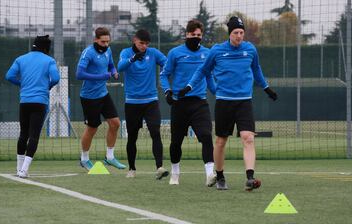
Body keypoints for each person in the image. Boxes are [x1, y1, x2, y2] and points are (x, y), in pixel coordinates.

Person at [179, 16, 278, 191]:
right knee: (220, 141)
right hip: (224, 102)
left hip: (244, 102)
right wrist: (189, 86)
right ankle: (220, 176)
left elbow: (257, 70)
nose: (239, 36)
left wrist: (266, 88)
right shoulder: (216, 51)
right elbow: (202, 71)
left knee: (248, 137)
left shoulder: (250, 50)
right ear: (229, 34)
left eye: (241, 32)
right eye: (235, 33)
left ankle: (249, 177)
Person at [160, 20, 217, 186]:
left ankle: (209, 175)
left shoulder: (207, 54)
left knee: (206, 136)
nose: (196, 38)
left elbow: (209, 77)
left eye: (199, 35)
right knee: (176, 142)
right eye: (193, 35)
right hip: (179, 104)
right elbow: (164, 75)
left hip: (200, 103)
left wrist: (218, 94)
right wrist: (167, 91)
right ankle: (175, 173)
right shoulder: (175, 53)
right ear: (186, 35)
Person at [5, 35, 60, 178]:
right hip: (40, 102)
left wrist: (22, 85)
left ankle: (18, 169)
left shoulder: (20, 59)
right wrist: (47, 86)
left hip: (24, 101)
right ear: (46, 47)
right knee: (34, 135)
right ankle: (24, 170)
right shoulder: (49, 60)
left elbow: (9, 76)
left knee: (23, 134)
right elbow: (55, 78)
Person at [117, 29, 169, 180]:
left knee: (155, 133)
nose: (144, 46)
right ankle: (132, 169)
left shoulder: (153, 53)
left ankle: (159, 167)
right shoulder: (126, 53)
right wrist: (133, 58)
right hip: (132, 102)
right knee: (132, 137)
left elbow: (167, 63)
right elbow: (119, 67)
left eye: (146, 44)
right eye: (141, 43)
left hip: (151, 101)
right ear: (134, 40)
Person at [76, 27, 126, 171]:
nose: (105, 44)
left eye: (108, 42)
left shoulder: (108, 51)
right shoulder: (88, 53)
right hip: (89, 97)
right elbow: (79, 74)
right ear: (96, 40)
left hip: (103, 94)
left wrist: (114, 72)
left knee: (115, 123)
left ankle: (110, 157)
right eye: (103, 42)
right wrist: (100, 77)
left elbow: (110, 65)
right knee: (92, 128)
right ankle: (84, 159)